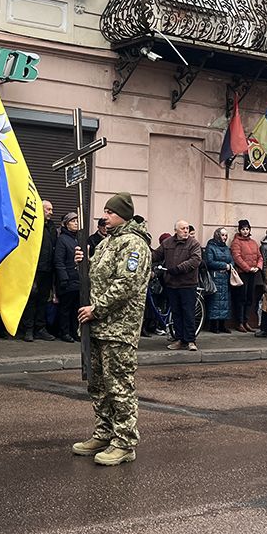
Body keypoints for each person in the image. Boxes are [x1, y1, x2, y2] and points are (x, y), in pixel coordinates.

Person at [72, 192, 151, 467]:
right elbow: (96, 278)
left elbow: (125, 285)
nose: (104, 216)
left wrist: (97, 309)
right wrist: (83, 263)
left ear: (123, 215)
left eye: (109, 211)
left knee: (119, 385)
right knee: (99, 385)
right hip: (99, 327)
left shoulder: (134, 244)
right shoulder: (107, 243)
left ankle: (125, 442)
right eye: (104, 211)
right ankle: (104, 432)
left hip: (119, 328)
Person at [155, 220, 202, 351]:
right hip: (172, 284)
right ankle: (180, 339)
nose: (186, 231)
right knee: (176, 313)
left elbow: (195, 260)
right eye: (183, 228)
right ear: (176, 230)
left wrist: (179, 268)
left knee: (188, 312)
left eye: (187, 228)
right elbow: (156, 255)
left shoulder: (194, 244)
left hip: (188, 284)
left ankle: (191, 340)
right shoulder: (167, 243)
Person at [22, 200, 56, 342]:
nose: (51, 212)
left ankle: (40, 328)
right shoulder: (33, 225)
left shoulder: (52, 227)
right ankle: (28, 330)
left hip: (47, 270)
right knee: (31, 299)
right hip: (34, 269)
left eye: (51, 209)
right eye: (48, 209)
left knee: (43, 300)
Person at [53, 211, 81, 343]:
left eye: (77, 221)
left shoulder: (77, 238)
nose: (76, 223)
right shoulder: (63, 240)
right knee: (65, 309)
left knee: (76, 308)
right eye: (73, 221)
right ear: (66, 224)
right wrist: (64, 278)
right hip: (68, 280)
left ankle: (74, 331)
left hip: (78, 280)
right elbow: (59, 261)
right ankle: (64, 332)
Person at [229, 220, 262, 333]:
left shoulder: (253, 242)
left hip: (253, 273)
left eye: (247, 229)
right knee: (241, 298)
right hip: (242, 273)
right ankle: (239, 322)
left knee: (249, 298)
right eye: (243, 229)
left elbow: (259, 256)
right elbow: (237, 257)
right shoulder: (236, 242)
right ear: (239, 230)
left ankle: (246, 321)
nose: (245, 231)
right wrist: (248, 268)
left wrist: (258, 267)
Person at [202, 227, 233, 334]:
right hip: (215, 277)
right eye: (222, 235)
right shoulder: (211, 247)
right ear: (217, 235)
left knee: (224, 302)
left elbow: (231, 260)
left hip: (225, 278)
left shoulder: (226, 248)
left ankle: (222, 325)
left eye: (225, 235)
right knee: (215, 302)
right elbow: (209, 262)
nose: (224, 237)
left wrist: (230, 266)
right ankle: (213, 326)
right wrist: (225, 265)